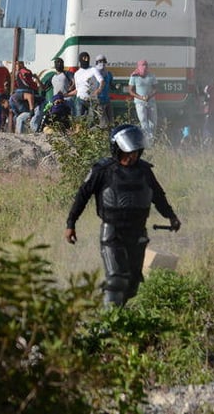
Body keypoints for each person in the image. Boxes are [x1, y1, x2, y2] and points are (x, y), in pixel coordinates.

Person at [64, 124, 181, 307]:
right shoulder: (103, 170)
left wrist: (171, 216)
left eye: (135, 152)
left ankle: (112, 313)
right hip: (113, 233)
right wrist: (71, 223)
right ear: (117, 150)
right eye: (127, 153)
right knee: (117, 279)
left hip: (138, 234)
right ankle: (107, 324)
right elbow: (83, 195)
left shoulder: (144, 171)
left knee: (132, 285)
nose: (131, 157)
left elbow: (158, 195)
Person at [127, 60, 158, 144]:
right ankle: (149, 140)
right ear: (138, 66)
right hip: (139, 103)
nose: (144, 67)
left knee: (153, 122)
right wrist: (140, 97)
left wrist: (149, 96)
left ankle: (151, 139)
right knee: (143, 120)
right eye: (142, 65)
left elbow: (156, 88)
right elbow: (130, 90)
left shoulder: (151, 76)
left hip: (151, 102)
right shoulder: (134, 76)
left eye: (146, 65)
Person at [91, 54, 116, 128]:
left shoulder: (108, 74)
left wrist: (116, 87)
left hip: (107, 100)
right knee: (103, 122)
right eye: (100, 61)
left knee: (111, 121)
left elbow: (111, 85)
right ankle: (103, 136)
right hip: (99, 101)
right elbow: (91, 87)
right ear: (96, 62)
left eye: (103, 61)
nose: (102, 63)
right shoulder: (94, 74)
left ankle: (110, 137)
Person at [73, 52, 98, 118]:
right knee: (80, 120)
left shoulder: (93, 70)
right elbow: (77, 89)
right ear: (80, 59)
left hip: (91, 100)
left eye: (88, 58)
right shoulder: (77, 74)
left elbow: (100, 82)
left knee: (92, 120)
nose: (86, 60)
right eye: (84, 58)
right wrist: (66, 94)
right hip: (80, 99)